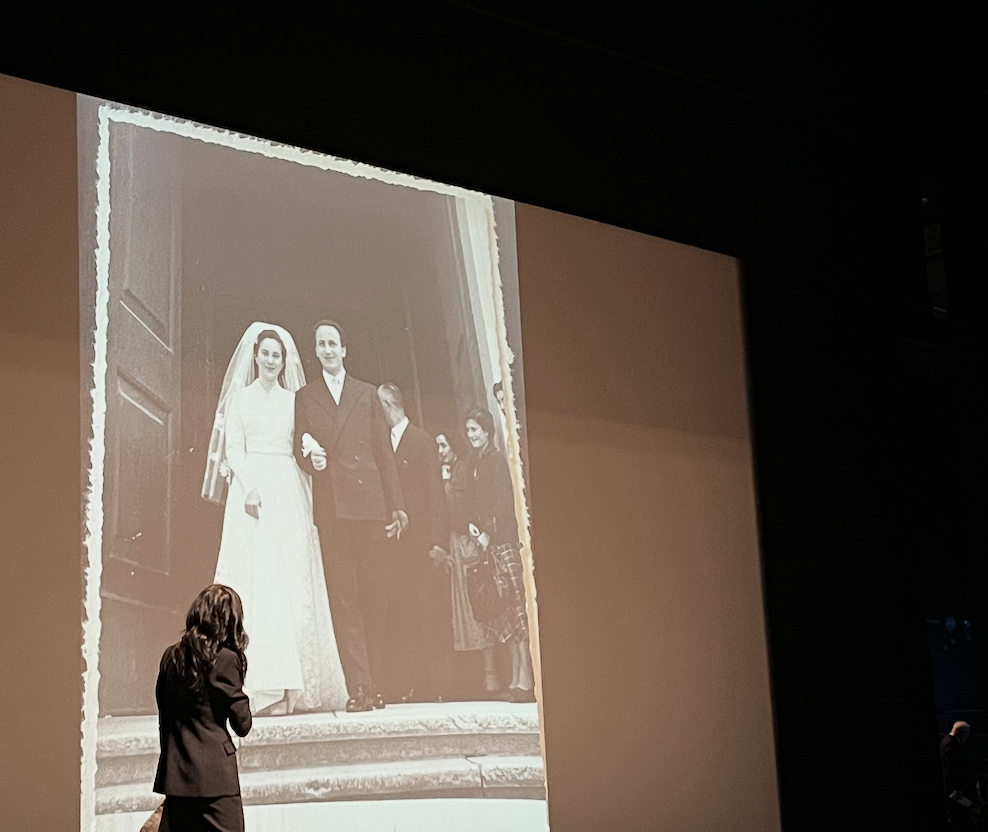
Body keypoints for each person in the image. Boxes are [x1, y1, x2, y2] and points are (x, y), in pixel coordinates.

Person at [205, 322, 347, 715]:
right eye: (265, 353)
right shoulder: (242, 399)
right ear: (255, 356)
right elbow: (233, 448)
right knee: (254, 580)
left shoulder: (293, 400)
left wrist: (313, 453)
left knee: (289, 579)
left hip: (287, 489)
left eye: (277, 354)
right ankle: (253, 685)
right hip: (251, 492)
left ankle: (291, 687)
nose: (271, 360)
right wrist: (248, 486)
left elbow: (302, 439)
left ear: (284, 361)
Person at [294, 320, 407, 712]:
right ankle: (359, 687)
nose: (326, 349)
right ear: (316, 351)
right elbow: (299, 446)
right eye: (320, 344)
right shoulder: (305, 396)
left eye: (332, 343)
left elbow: (383, 452)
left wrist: (398, 505)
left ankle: (377, 683)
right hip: (334, 510)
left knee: (375, 594)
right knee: (344, 599)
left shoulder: (365, 393)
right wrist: (312, 459)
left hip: (371, 508)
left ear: (344, 350)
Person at [153, 584, 252, 832]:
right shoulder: (227, 659)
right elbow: (243, 725)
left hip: (177, 777)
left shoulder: (170, 657)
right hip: (217, 780)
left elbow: (165, 715)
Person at [376, 383, 452, 702]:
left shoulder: (420, 441)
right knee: (404, 615)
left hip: (421, 546)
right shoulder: (382, 443)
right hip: (398, 548)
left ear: (391, 406)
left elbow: (435, 495)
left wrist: (437, 542)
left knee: (428, 614)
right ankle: (408, 685)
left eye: (379, 405)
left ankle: (436, 687)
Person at [463, 408, 535, 702]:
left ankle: (526, 679)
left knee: (515, 609)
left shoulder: (493, 461)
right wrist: (475, 527)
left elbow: (503, 503)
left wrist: (488, 532)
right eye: (467, 430)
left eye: (474, 430)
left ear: (487, 431)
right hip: (489, 544)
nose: (470, 435)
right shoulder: (476, 462)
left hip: (502, 543)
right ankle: (518, 678)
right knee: (505, 613)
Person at [436, 430, 499, 696]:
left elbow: (457, 507)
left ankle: (491, 676)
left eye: (443, 445)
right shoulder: (452, 469)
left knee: (478, 607)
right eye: (437, 446)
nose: (439, 451)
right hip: (456, 542)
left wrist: (447, 484)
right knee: (465, 612)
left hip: (467, 541)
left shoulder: (462, 469)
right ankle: (479, 679)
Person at [942, 720, 977, 824]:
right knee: (958, 816)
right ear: (962, 733)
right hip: (955, 791)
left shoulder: (946, 742)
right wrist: (957, 790)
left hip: (952, 790)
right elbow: (952, 770)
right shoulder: (952, 746)